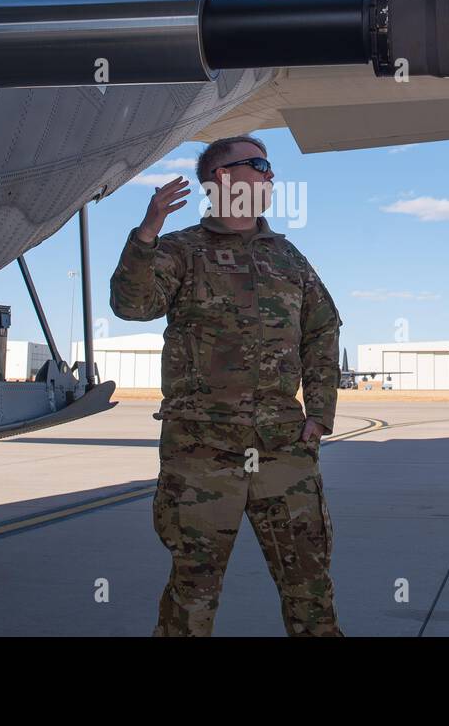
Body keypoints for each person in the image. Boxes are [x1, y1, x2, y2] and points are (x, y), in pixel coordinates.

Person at [109, 134, 343, 636]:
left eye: (269, 167)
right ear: (221, 178)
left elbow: (323, 329)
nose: (269, 176)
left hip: (283, 447)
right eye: (258, 165)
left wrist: (320, 414)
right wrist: (146, 234)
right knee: (194, 586)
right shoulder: (179, 251)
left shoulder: (288, 257)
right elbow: (133, 305)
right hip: (201, 449)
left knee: (309, 584)